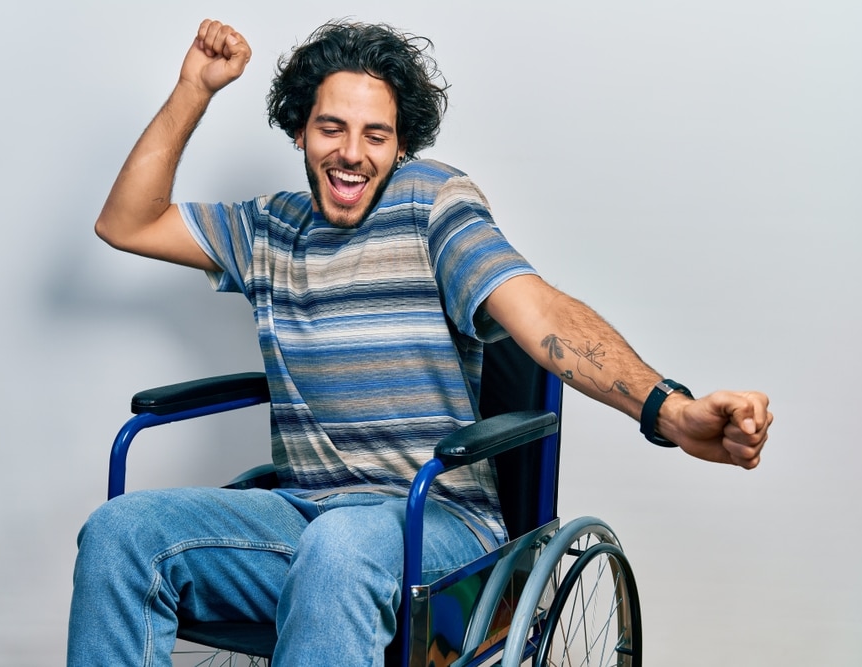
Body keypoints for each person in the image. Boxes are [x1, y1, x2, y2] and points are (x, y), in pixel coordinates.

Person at [68, 18, 772, 667]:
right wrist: (195, 87)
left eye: (375, 135)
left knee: (340, 547)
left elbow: (541, 311)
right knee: (120, 532)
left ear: (401, 146)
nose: (351, 153)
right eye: (331, 128)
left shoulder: (432, 203)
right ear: (299, 131)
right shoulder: (265, 231)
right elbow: (127, 223)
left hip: (438, 527)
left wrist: (669, 410)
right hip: (302, 521)